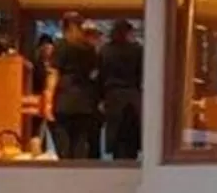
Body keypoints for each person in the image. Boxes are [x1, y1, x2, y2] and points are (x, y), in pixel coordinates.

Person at [49, 17, 104, 160]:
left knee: (63, 146)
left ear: (66, 27)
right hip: (85, 101)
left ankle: (64, 177)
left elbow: (54, 73)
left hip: (63, 99)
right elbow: (94, 74)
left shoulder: (61, 45)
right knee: (80, 144)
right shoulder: (90, 49)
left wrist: (48, 99)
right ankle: (78, 177)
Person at [100, 19, 145, 160]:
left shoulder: (106, 50)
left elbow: (102, 74)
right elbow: (141, 73)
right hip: (132, 95)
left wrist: (101, 97)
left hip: (113, 95)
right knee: (131, 133)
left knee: (115, 132)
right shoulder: (137, 50)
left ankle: (117, 159)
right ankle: (130, 159)